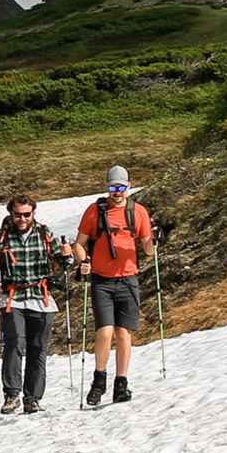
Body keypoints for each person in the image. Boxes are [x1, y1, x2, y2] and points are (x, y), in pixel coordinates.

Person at [72, 166, 155, 405]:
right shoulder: (95, 211)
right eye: (112, 187)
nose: (116, 192)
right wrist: (83, 260)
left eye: (120, 187)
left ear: (129, 186)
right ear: (107, 187)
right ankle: (99, 381)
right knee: (105, 331)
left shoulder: (138, 212)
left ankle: (122, 383)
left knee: (124, 332)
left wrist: (155, 239)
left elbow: (148, 250)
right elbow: (80, 243)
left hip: (129, 279)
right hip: (102, 280)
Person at [0, 195, 73, 414]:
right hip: (12, 296)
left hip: (40, 297)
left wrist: (67, 255)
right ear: (11, 214)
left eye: (27, 214)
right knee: (14, 342)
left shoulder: (45, 234)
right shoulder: (1, 237)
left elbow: (64, 262)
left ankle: (32, 397)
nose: (23, 218)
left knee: (38, 348)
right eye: (18, 214)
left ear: (33, 213)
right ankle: (12, 394)